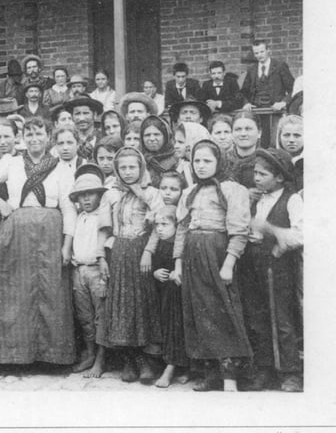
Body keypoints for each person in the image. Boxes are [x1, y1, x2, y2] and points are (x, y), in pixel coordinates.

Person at [0, 117, 77, 377]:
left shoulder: (61, 168)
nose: (34, 138)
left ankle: (52, 357)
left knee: (49, 292)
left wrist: (67, 245)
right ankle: (2, 356)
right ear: (22, 137)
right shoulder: (12, 162)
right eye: (29, 133)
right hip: (16, 231)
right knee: (8, 290)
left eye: (39, 133)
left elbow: (68, 207)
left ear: (48, 135)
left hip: (50, 232)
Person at [172, 139, 252, 392]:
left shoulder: (232, 190)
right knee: (199, 312)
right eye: (197, 161)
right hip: (193, 254)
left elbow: (239, 231)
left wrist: (228, 263)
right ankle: (210, 373)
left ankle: (230, 377)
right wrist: (178, 263)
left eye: (207, 161)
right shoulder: (189, 192)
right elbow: (182, 229)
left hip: (217, 253)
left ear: (219, 162)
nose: (201, 166)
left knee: (222, 312)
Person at [238, 148, 303, 392]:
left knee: (282, 317)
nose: (256, 178)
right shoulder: (257, 198)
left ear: (279, 177)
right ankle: (264, 369)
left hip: (279, 265)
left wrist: (274, 234)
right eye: (255, 172)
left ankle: (290, 372)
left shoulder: (292, 199)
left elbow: (301, 233)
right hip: (253, 262)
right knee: (257, 316)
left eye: (262, 174)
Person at [99, 147, 163, 382]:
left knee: (144, 304)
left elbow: (158, 225)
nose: (127, 172)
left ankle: (147, 361)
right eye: (123, 168)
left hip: (143, 251)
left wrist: (148, 251)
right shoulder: (112, 194)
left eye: (132, 167)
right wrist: (102, 257)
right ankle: (129, 359)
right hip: (120, 252)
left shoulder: (152, 193)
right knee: (123, 304)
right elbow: (106, 228)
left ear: (141, 168)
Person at [66, 165, 109, 377]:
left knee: (101, 314)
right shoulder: (79, 216)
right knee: (85, 315)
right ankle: (90, 353)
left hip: (95, 270)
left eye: (90, 194)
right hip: (79, 270)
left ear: (100, 194)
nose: (86, 199)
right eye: (81, 195)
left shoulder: (104, 215)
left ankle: (101, 359)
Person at [149, 205, 188, 388]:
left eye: (165, 224)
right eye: (157, 224)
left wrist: (176, 273)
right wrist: (155, 272)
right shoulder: (160, 243)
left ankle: (172, 368)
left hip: (178, 294)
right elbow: (154, 263)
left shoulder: (180, 245)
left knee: (176, 327)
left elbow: (186, 266)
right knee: (164, 326)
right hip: (162, 293)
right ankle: (170, 365)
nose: (160, 229)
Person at [240, 39, 295, 111]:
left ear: (268, 50)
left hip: (275, 110)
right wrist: (246, 103)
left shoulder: (280, 66)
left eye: (262, 52)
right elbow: (243, 92)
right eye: (256, 53)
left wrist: (283, 102)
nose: (259, 55)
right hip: (256, 111)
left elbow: (294, 89)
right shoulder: (252, 69)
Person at [140, 115, 179, 185]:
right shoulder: (139, 160)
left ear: (165, 137)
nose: (152, 139)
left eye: (156, 134)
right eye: (147, 135)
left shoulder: (177, 159)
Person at [276, 114, 304, 192]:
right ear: (279, 137)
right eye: (286, 135)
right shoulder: (272, 160)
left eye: (297, 135)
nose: (291, 140)